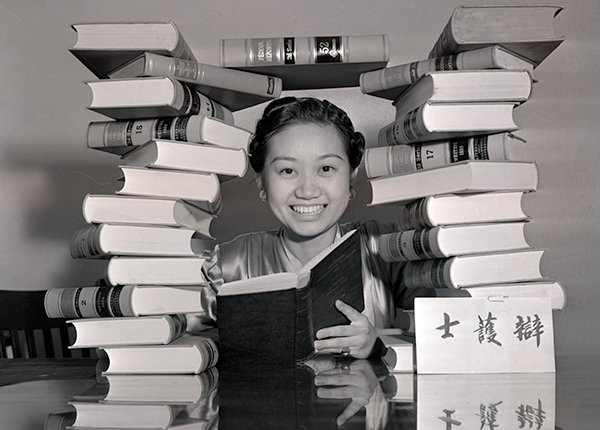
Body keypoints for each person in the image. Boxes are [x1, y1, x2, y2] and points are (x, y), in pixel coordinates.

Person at [187, 96, 419, 359]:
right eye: (287, 171)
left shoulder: (387, 249)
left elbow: (450, 334)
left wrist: (379, 345)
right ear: (262, 183)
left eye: (326, 168)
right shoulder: (226, 266)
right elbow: (190, 352)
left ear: (352, 177)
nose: (308, 190)